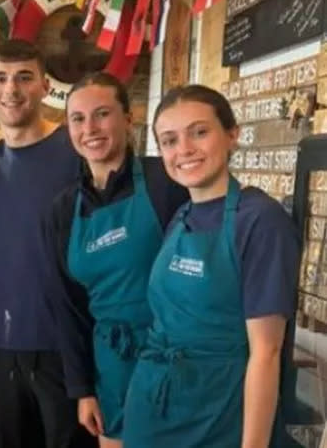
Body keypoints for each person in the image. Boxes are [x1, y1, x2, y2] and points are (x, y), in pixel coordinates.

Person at [122, 85, 299, 447]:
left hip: (218, 411)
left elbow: (267, 353)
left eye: (199, 132)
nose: (183, 150)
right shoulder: (181, 216)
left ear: (232, 135)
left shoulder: (260, 220)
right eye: (169, 141)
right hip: (154, 407)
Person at [44, 73, 188, 448]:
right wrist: (82, 390)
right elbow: (68, 307)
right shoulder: (62, 210)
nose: (90, 128)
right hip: (112, 369)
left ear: (129, 118)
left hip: (177, 362)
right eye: (78, 119)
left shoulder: (166, 182)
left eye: (102, 114)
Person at [0, 39, 90, 448]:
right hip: (2, 345)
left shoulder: (76, 152)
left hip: (67, 343)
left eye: (24, 78)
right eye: (0, 79)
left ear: (44, 86)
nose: (12, 90)